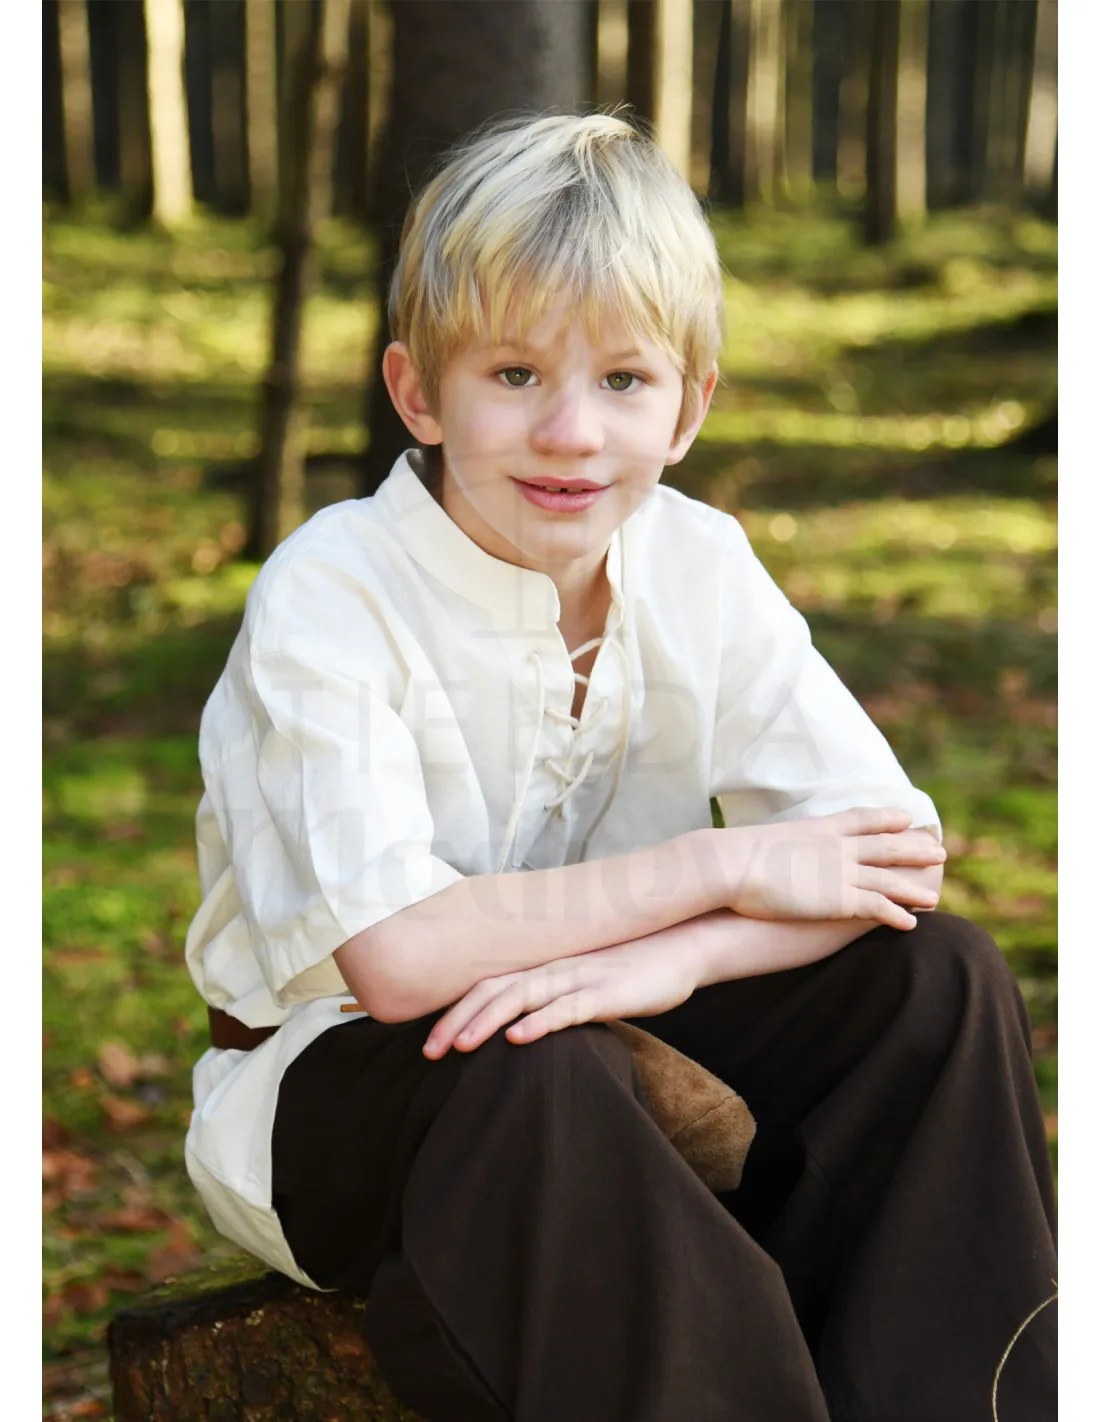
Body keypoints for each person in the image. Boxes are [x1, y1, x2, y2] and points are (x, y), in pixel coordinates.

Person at [183, 113, 1056, 1421]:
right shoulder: (331, 590)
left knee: (939, 979)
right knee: (539, 1062)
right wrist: (717, 864)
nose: (572, 433)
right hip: (346, 1084)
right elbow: (402, 960)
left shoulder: (697, 562)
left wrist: (679, 958)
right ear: (418, 390)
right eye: (517, 374)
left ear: (690, 405)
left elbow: (895, 854)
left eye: (625, 382)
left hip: (624, 1026)